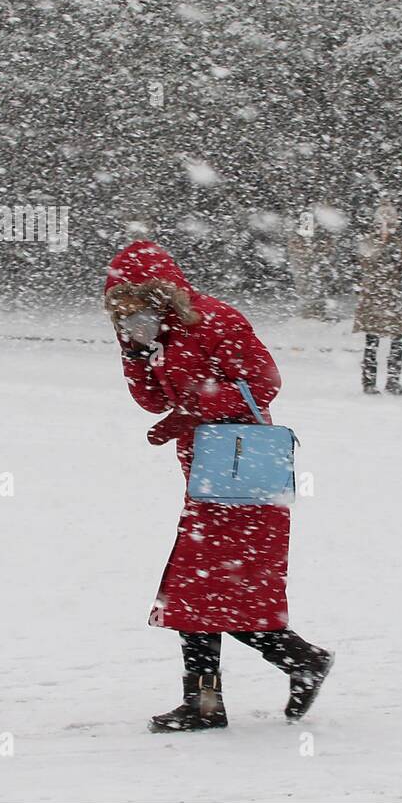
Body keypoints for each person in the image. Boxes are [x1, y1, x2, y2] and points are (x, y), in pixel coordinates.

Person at [104, 240, 333, 732]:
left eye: (134, 298)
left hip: (245, 473)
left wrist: (195, 408)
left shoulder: (215, 320)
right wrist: (136, 354)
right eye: (119, 303)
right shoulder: (158, 335)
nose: (127, 310)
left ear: (161, 290)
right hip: (207, 477)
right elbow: (151, 401)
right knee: (202, 593)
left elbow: (264, 383)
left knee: (205, 592)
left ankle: (246, 685)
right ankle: (273, 672)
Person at [353, 200, 402, 394]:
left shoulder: (400, 244)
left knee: (397, 340)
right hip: (374, 297)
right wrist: (382, 244)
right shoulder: (368, 242)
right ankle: (369, 382)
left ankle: (393, 380)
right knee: (372, 341)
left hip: (392, 296)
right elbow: (367, 263)